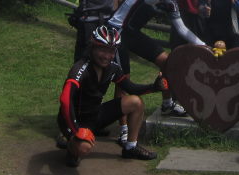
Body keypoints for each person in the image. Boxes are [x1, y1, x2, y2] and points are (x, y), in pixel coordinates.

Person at [108, 0, 206, 118]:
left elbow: (182, 29)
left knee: (166, 62)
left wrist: (204, 46)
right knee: (123, 80)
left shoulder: (171, 1)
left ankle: (167, 104)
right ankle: (122, 127)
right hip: (116, 30)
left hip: (131, 33)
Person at [57, 25, 163, 167]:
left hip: (95, 116)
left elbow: (131, 88)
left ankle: (130, 147)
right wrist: (76, 130)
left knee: (135, 102)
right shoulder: (81, 68)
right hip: (76, 119)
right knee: (84, 148)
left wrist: (155, 87)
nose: (107, 56)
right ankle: (71, 146)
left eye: (111, 51)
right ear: (93, 47)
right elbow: (65, 99)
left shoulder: (113, 68)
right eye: (102, 49)